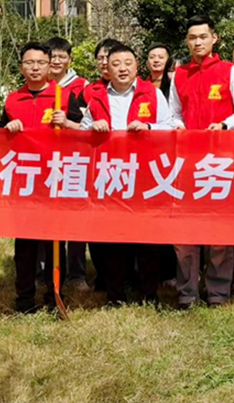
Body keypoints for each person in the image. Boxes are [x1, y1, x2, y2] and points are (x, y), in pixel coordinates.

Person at [169, 15, 234, 309]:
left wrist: (225, 125)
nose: (197, 42)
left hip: (221, 161)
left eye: (203, 36)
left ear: (214, 38)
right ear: (187, 41)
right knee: (184, 233)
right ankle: (187, 292)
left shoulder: (230, 71)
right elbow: (173, 113)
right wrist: (178, 126)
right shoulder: (179, 74)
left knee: (220, 231)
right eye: (192, 38)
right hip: (187, 162)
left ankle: (218, 292)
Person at [82, 44, 174, 306]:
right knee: (112, 238)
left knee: (148, 237)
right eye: (116, 64)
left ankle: (148, 293)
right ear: (107, 69)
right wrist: (93, 127)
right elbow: (81, 136)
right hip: (111, 174)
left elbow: (169, 127)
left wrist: (148, 127)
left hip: (145, 173)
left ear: (137, 66)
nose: (122, 68)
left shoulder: (153, 94)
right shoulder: (97, 98)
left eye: (128, 63)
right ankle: (115, 295)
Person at [1, 42, 82, 313]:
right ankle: (24, 298)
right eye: (29, 63)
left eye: (40, 63)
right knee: (24, 243)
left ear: (50, 66)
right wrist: (8, 128)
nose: (35, 68)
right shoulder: (12, 100)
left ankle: (54, 294)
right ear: (21, 67)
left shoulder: (63, 96)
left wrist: (68, 123)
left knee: (54, 241)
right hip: (24, 180)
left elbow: (82, 134)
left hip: (55, 179)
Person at [69, 37, 121, 290]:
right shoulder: (89, 92)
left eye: (110, 57)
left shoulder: (141, 90)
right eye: (101, 58)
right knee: (98, 223)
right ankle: (103, 275)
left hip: (129, 166)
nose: (105, 62)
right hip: (97, 166)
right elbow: (81, 127)